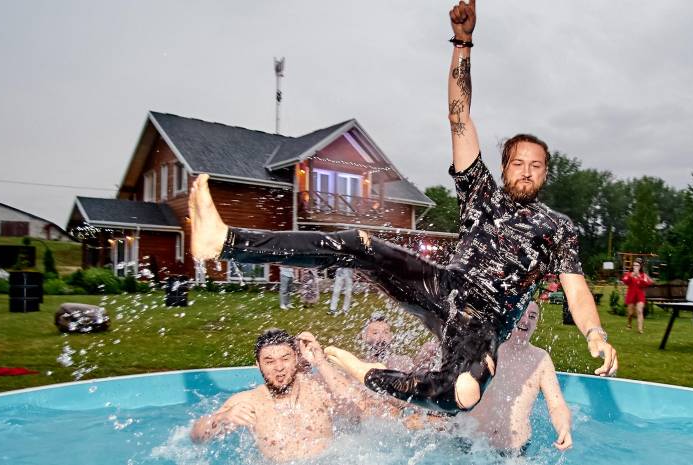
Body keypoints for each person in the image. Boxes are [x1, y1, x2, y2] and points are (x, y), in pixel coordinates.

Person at [187, 0, 617, 414]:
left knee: (463, 395)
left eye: (535, 166)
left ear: (545, 174)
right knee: (357, 243)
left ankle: (367, 373)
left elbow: (576, 288)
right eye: (518, 162)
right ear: (504, 167)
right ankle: (224, 241)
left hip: (482, 324)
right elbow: (459, 117)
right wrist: (462, 44)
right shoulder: (481, 191)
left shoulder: (556, 227)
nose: (526, 171)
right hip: (442, 286)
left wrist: (595, 332)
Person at [190, 328, 359, 461]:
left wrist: (321, 362)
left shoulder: (318, 387)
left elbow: (358, 409)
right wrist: (222, 418)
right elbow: (197, 437)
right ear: (258, 365)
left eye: (285, 358)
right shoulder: (248, 401)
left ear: (296, 358)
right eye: (269, 361)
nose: (279, 367)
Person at [456, 302, 572, 455]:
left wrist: (564, 427)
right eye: (522, 313)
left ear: (537, 323)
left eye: (532, 316)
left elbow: (557, 405)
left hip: (514, 452)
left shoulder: (541, 359)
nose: (526, 320)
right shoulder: (490, 349)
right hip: (471, 445)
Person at [622, 259, 653, 333]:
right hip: (631, 295)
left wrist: (639, 277)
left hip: (640, 296)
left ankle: (640, 329)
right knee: (630, 313)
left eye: (637, 265)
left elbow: (647, 284)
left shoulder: (643, 275)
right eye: (634, 265)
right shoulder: (629, 274)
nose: (635, 267)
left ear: (640, 267)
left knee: (639, 311)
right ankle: (629, 324)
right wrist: (631, 276)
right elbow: (625, 281)